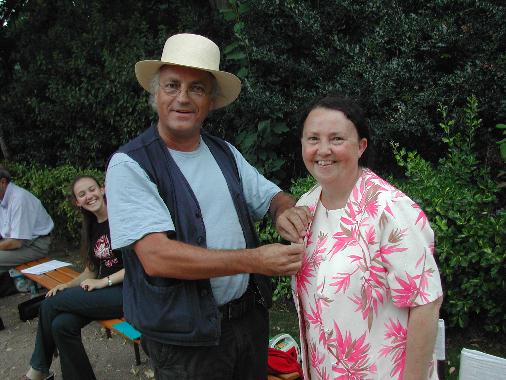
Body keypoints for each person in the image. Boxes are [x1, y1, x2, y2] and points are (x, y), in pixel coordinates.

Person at [105, 33, 310, 380]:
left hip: (247, 321)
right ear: (156, 94)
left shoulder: (225, 151)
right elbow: (157, 257)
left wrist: (284, 210)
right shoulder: (130, 165)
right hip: (185, 340)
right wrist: (256, 260)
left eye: (197, 88)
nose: (182, 98)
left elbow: (271, 195)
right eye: (172, 85)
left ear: (211, 101)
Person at [292, 95, 443, 379]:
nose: (323, 150)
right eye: (313, 139)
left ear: (361, 146)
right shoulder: (307, 205)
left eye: (336, 139)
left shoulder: (390, 210)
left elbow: (425, 302)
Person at [23, 175, 124, 380]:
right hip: (103, 293)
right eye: (82, 194)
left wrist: (103, 282)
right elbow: (90, 272)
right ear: (77, 202)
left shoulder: (122, 219)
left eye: (92, 189)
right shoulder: (91, 227)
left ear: (102, 190)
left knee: (50, 305)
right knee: (61, 325)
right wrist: (66, 285)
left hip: (128, 292)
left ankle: (38, 371)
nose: (89, 196)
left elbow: (138, 266)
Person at [0, 166, 54, 274]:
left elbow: (16, 242)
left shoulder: (19, 199)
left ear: (2, 182)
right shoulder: (3, 197)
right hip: (15, 242)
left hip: (35, 245)